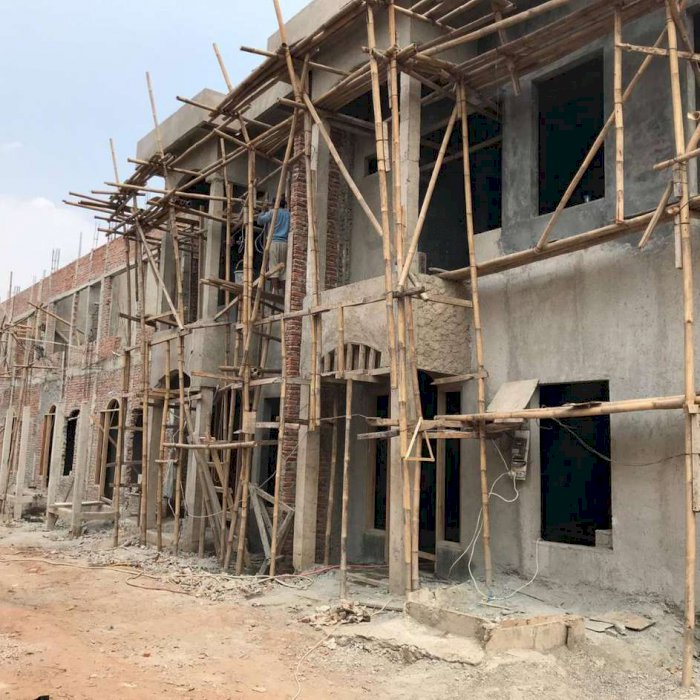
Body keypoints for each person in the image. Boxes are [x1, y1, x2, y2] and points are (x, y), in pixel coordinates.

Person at [257, 197, 290, 294]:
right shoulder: (288, 214)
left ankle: (275, 292)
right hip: (285, 243)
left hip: (274, 242)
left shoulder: (272, 212)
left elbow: (260, 221)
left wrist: (263, 211)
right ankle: (284, 295)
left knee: (273, 268)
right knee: (283, 271)